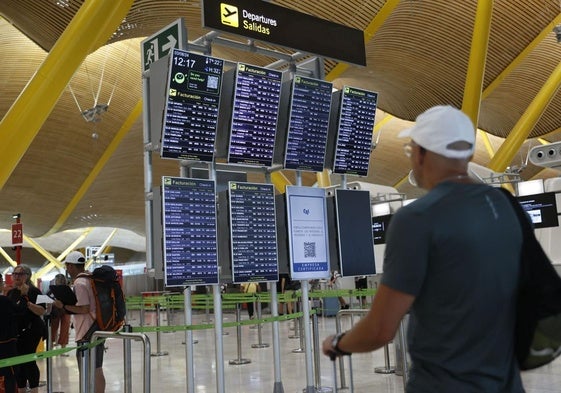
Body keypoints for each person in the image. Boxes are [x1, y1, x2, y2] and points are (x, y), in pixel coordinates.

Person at [322, 105, 525, 392]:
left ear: (422, 154)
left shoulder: (417, 219)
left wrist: (339, 344)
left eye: (412, 149)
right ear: (466, 154)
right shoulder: (504, 206)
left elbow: (380, 329)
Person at [53, 251, 106, 393]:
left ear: (71, 266)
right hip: (98, 327)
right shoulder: (90, 278)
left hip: (86, 331)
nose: (67, 269)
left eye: (67, 266)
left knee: (89, 368)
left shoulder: (80, 282)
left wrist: (63, 306)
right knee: (97, 366)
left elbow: (84, 308)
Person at [7, 264, 46, 393]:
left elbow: (42, 311)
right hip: (16, 332)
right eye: (15, 274)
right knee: (18, 363)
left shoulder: (34, 291)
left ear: (27, 276)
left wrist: (27, 302)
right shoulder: (11, 293)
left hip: (31, 331)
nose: (17, 276)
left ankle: (34, 388)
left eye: (20, 274)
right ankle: (21, 388)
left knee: (28, 361)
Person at [47, 274, 71, 355]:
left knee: (64, 329)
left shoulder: (67, 289)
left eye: (60, 280)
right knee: (54, 329)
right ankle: (51, 348)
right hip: (56, 311)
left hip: (65, 310)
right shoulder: (52, 289)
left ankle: (61, 350)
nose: (58, 281)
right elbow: (48, 298)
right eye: (58, 279)